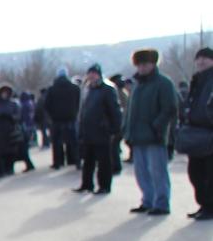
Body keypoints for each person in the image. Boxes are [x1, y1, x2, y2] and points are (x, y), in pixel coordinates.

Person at [124, 48, 180, 216]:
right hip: (138, 136)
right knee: (141, 172)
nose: (142, 68)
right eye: (139, 64)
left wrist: (157, 127)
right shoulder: (137, 85)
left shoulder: (163, 83)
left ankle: (162, 203)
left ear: (153, 64)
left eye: (145, 64)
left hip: (155, 136)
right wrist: (127, 131)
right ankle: (147, 201)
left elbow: (169, 108)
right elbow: (130, 111)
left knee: (158, 172)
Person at [75, 65, 122, 196]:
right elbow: (83, 110)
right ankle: (87, 184)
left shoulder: (107, 89)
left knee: (104, 161)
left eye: (94, 74)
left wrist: (114, 128)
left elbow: (115, 110)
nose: (91, 76)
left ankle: (104, 185)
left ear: (99, 75)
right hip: (88, 131)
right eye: (89, 73)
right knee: (88, 160)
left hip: (102, 131)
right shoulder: (87, 89)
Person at [184, 47, 213, 221]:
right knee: (195, 172)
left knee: (209, 173)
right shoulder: (197, 79)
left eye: (206, 58)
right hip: (196, 132)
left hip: (209, 132)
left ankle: (210, 206)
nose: (201, 61)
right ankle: (203, 204)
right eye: (199, 58)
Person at [0, 84, 35, 175]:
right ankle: (4, 169)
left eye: (6, 93)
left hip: (12, 130)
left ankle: (10, 168)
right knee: (2, 151)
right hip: (0, 131)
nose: (4, 94)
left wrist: (11, 117)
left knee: (13, 151)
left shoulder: (13, 104)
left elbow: (19, 116)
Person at [44, 68, 81, 169]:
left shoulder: (52, 89)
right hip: (71, 118)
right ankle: (78, 162)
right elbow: (79, 103)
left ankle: (57, 163)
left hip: (57, 120)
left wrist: (52, 116)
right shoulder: (75, 88)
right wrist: (75, 113)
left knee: (56, 143)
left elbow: (46, 105)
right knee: (74, 142)